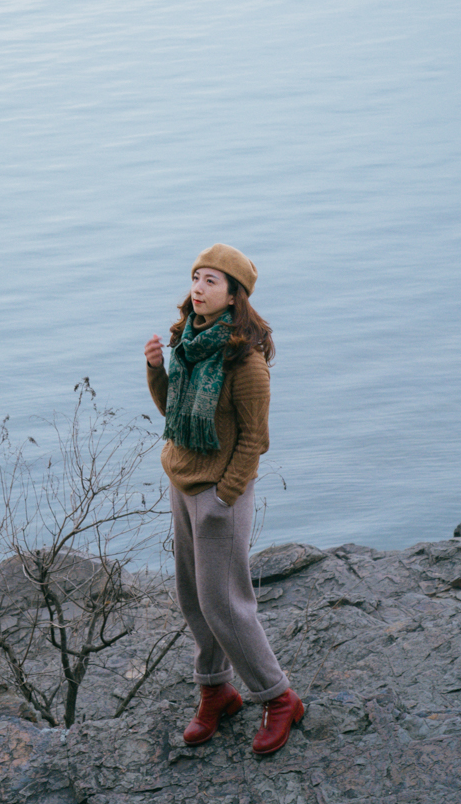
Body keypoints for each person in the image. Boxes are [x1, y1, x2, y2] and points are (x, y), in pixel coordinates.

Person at [144, 243, 304, 756]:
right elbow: (174, 412)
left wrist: (225, 497)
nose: (199, 287)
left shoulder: (245, 362)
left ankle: (279, 699)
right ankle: (217, 690)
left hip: (219, 494)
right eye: (196, 276)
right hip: (183, 478)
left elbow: (255, 440)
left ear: (235, 295)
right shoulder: (187, 343)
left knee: (226, 604)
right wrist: (155, 369)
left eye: (212, 280)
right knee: (193, 596)